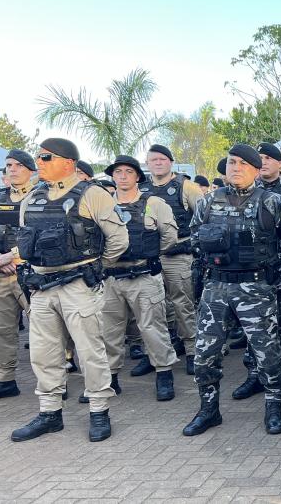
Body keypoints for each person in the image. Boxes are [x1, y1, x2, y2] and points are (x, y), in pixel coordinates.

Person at [11, 138, 128, 442]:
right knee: (44, 353)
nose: (39, 162)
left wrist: (96, 266)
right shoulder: (32, 198)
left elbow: (119, 239)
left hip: (78, 285)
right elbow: (26, 241)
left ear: (68, 162)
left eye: (46, 157)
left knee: (90, 351)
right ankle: (50, 413)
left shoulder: (92, 195)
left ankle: (99, 411)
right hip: (42, 287)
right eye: (39, 157)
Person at [182, 144, 281, 437]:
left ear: (256, 170)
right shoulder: (207, 202)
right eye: (232, 162)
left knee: (266, 351)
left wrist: (272, 271)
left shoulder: (272, 202)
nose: (236, 168)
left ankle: (273, 407)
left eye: (244, 163)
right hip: (216, 286)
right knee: (205, 353)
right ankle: (208, 410)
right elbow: (193, 238)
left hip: (255, 287)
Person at [90, 155, 179, 402]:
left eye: (128, 172)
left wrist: (148, 254)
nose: (122, 176)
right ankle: (111, 378)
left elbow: (169, 237)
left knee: (153, 327)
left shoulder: (154, 203)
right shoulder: (103, 205)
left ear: (138, 176)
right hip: (111, 278)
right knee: (109, 331)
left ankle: (163, 374)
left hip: (143, 276)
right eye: (117, 172)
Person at [231, 142, 281, 400]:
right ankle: (255, 375)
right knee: (255, 329)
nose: (263, 162)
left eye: (269, 158)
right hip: (254, 275)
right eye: (260, 158)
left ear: (279, 163)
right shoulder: (243, 193)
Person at [141, 144, 204, 375]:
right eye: (153, 160)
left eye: (162, 159)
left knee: (182, 305)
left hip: (179, 256)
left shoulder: (186, 186)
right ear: (147, 164)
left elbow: (204, 218)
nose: (158, 163)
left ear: (170, 162)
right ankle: (158, 353)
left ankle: (192, 352)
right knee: (153, 309)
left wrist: (193, 246)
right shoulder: (142, 189)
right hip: (149, 258)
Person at [0, 150, 37, 398]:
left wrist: (10, 256)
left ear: (31, 171)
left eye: (19, 165)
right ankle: (5, 380)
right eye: (9, 165)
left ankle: (56, 381)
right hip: (2, 274)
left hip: (32, 274)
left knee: (46, 332)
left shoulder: (41, 198)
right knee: (2, 330)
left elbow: (40, 235)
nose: (13, 169)